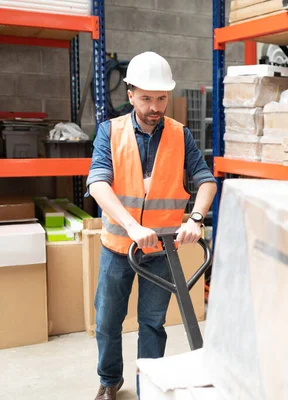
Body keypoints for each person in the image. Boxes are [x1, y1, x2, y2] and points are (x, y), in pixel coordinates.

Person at [87, 51, 216, 400]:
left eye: (161, 98)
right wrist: (130, 226)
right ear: (130, 95)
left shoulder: (181, 135)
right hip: (118, 248)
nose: (155, 106)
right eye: (146, 98)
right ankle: (110, 379)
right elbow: (98, 183)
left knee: (152, 323)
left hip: (161, 250)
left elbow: (206, 181)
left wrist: (196, 217)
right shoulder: (109, 132)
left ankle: (150, 387)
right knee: (108, 322)